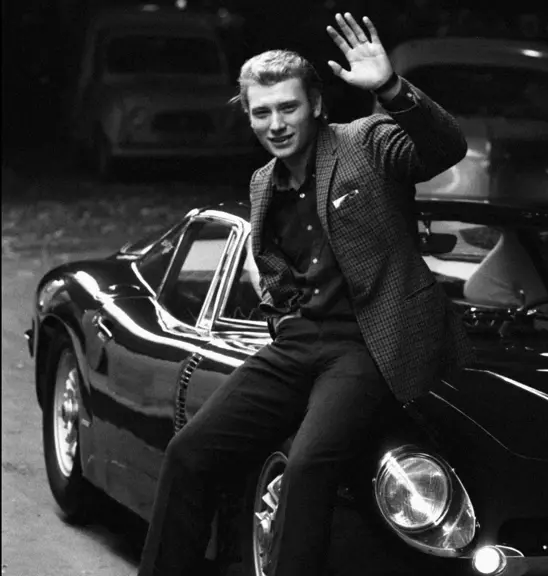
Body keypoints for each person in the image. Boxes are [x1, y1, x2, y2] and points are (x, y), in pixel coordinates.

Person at [137, 12, 473, 576]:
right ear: (247, 115)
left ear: (315, 104)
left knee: (310, 463)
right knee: (190, 453)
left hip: (368, 345)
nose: (276, 123)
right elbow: (275, 269)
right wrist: (284, 315)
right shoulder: (263, 182)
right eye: (261, 112)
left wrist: (390, 89)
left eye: (287, 108)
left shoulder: (365, 143)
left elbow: (446, 148)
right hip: (299, 344)